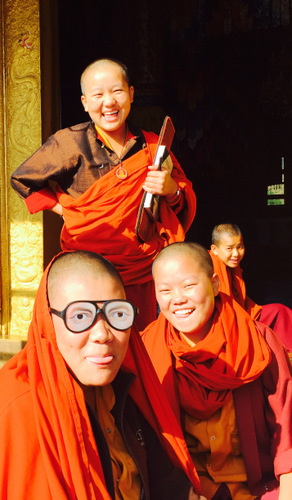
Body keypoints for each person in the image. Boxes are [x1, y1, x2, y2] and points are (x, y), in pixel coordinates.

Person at [0, 249, 205, 499]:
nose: (103, 334)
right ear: (47, 322)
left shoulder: (125, 388)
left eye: (118, 314)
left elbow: (162, 477)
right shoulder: (17, 409)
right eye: (79, 316)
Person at [10, 58, 196, 330]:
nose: (108, 102)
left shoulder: (153, 144)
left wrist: (170, 189)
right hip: (89, 264)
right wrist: (67, 211)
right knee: (96, 336)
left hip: (142, 266)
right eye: (97, 95)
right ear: (85, 102)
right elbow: (22, 179)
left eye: (117, 91)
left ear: (131, 94)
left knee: (141, 339)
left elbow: (179, 205)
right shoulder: (69, 142)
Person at [141, 242, 292, 499]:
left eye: (189, 286)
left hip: (259, 488)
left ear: (214, 284)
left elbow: (286, 424)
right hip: (188, 488)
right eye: (165, 290)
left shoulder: (256, 340)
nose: (178, 299)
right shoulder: (147, 348)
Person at [210, 223, 292, 353]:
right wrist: (243, 320)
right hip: (225, 324)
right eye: (229, 248)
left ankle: (288, 351)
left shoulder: (232, 267)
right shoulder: (209, 268)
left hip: (242, 314)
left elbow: (238, 297)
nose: (236, 253)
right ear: (215, 249)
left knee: (280, 311)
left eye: (240, 247)